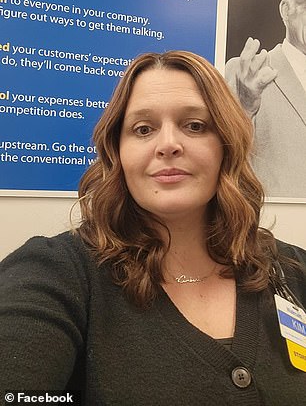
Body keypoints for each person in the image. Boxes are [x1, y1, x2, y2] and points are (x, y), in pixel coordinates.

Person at [0, 50, 306, 406]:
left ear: (227, 145)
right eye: (143, 129)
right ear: (117, 152)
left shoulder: (293, 270)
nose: (168, 145)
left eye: (195, 125)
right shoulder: (54, 273)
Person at [225, 0, 306, 199]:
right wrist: (245, 108)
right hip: (271, 227)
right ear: (285, 10)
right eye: (305, 2)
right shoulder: (243, 72)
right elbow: (222, 160)